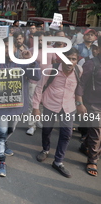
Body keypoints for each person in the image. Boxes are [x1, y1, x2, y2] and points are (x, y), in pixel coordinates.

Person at [0, 37, 40, 177]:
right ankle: (1, 160)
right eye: (4, 47)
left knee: (11, 129)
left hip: (17, 107)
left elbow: (37, 77)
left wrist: (32, 61)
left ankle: (5, 143)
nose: (7, 50)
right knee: (0, 133)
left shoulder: (23, 64)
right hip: (1, 108)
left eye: (10, 47)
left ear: (15, 49)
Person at [33, 48, 82, 178]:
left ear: (77, 61)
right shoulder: (51, 69)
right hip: (50, 104)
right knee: (47, 130)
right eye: (68, 58)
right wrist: (36, 107)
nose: (70, 61)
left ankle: (58, 161)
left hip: (68, 107)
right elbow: (39, 87)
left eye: (73, 59)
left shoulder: (79, 71)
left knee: (66, 134)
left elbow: (78, 89)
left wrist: (79, 104)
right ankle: (45, 149)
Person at [76, 36, 101, 177]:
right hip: (92, 104)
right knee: (97, 132)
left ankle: (85, 146)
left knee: (95, 133)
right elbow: (81, 83)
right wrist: (79, 102)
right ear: (98, 49)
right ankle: (92, 160)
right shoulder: (91, 64)